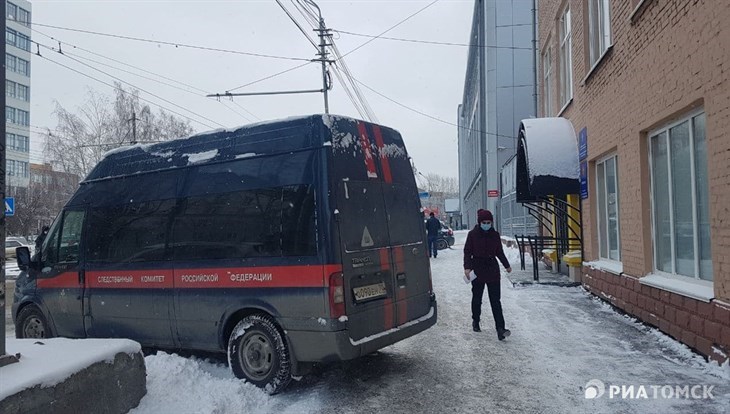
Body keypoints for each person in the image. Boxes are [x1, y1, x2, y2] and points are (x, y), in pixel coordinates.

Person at [463, 209, 512, 340]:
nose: (486, 224)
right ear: (479, 222)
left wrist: (506, 265)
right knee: (477, 298)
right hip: (477, 269)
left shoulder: (495, 235)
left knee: (495, 300)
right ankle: (476, 320)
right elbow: (467, 252)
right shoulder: (472, 235)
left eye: (489, 222)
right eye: (484, 222)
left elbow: (499, 252)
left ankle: (500, 328)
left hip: (492, 270)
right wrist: (467, 267)